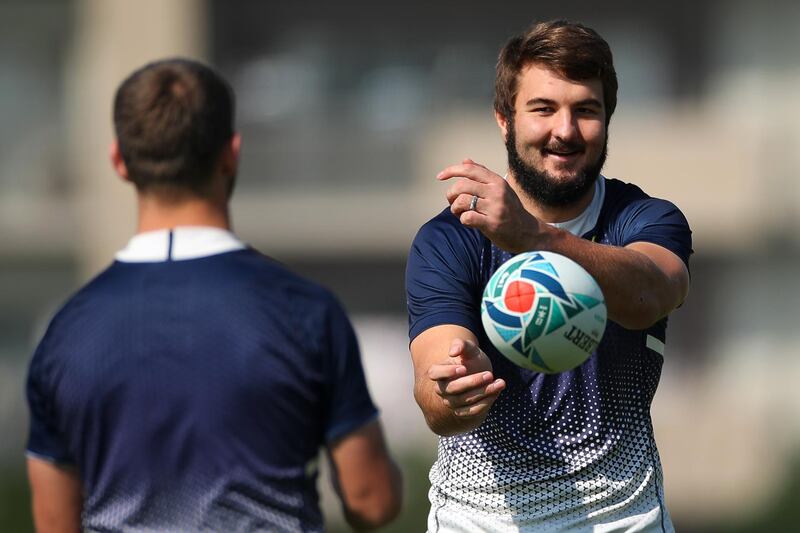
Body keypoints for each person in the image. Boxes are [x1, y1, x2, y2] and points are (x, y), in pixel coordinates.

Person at [25, 58, 402, 532]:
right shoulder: (305, 311)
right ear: (232, 154)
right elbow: (371, 501)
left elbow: (54, 522)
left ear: (119, 160)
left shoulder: (65, 333)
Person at [406, 20, 692, 532]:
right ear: (504, 120)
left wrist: (531, 236)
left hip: (625, 521)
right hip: (478, 523)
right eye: (543, 109)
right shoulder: (449, 239)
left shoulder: (647, 219)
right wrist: (454, 389)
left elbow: (652, 290)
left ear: (608, 120)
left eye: (586, 110)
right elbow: (434, 397)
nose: (565, 130)